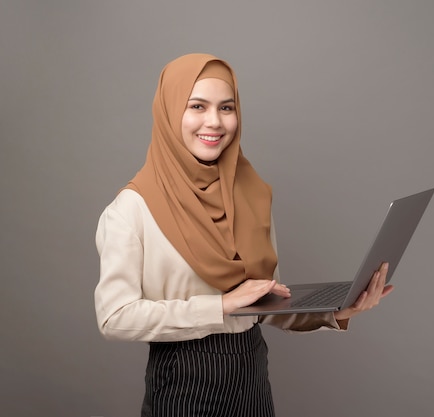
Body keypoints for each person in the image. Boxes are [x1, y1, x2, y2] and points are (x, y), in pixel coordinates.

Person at [94, 53, 393, 417]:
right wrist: (220, 306)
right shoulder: (132, 209)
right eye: (197, 106)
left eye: (227, 107)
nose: (215, 122)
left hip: (251, 374)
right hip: (183, 381)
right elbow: (115, 317)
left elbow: (264, 304)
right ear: (170, 112)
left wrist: (338, 310)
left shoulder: (251, 194)